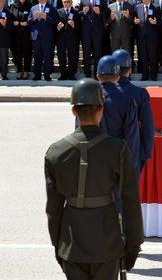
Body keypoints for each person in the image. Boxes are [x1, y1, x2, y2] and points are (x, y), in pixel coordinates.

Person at [45, 78, 143, 280]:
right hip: (106, 242)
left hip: (72, 242)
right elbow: (130, 202)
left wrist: (59, 246)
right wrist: (132, 246)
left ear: (74, 111)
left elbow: (53, 209)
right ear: (102, 109)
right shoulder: (118, 149)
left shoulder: (56, 152)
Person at [112, 49, 155, 172]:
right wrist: (145, 153)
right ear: (130, 69)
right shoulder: (139, 93)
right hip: (133, 151)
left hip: (106, 152)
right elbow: (148, 126)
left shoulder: (103, 94)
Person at [29, 0, 57, 81]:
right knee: (37, 57)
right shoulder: (33, 8)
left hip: (47, 37)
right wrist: (34, 18)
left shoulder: (52, 8)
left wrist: (46, 18)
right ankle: (37, 75)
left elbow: (54, 22)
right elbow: (29, 21)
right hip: (36, 37)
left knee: (48, 57)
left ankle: (47, 75)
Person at [10, 0, 32, 79]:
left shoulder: (30, 6)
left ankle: (26, 71)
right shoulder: (14, 6)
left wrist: (27, 23)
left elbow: (32, 18)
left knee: (27, 53)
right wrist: (13, 22)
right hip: (16, 34)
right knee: (18, 53)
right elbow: (10, 17)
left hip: (27, 34)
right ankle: (19, 71)